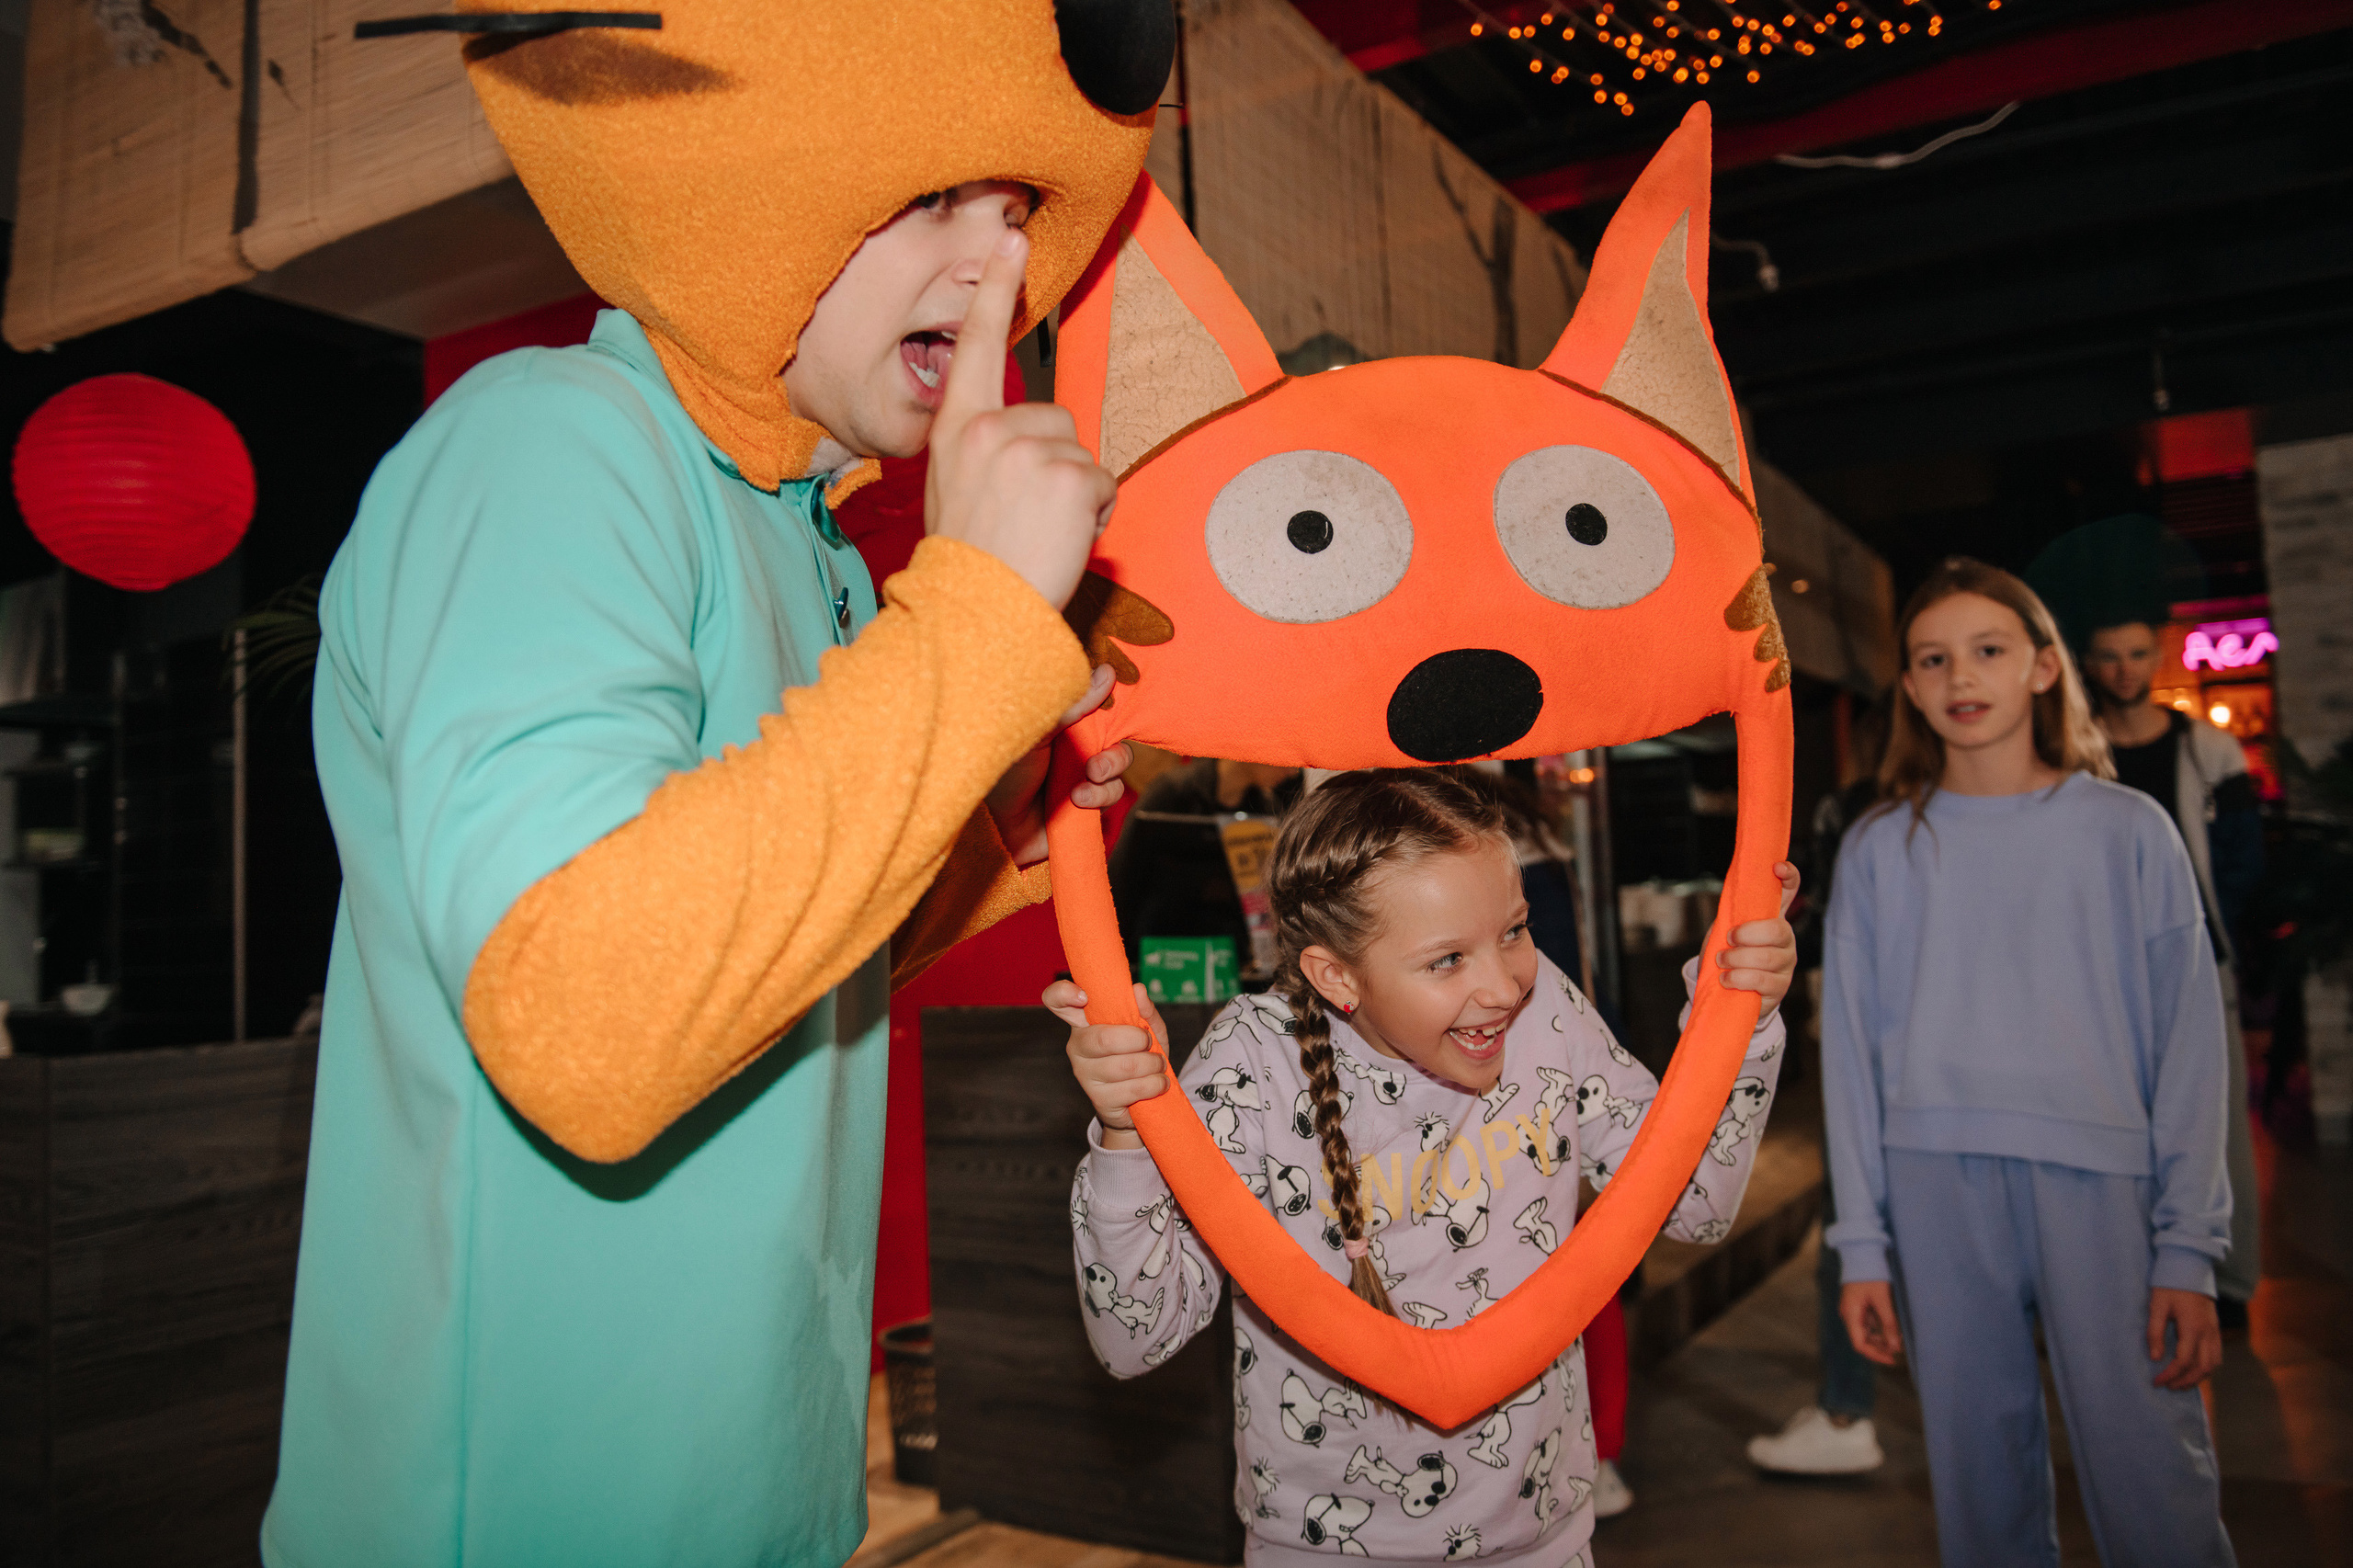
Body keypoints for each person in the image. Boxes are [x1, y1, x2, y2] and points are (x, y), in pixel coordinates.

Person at [265, 11, 1163, 1563]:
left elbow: (788, 970)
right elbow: (587, 1016)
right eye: (937, 200)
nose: (994, 263)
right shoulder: (549, 441)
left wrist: (999, 796)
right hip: (521, 1508)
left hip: (759, 1480)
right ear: (763, 184)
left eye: (1015, 213)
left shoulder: (799, 533)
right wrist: (960, 634)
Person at [1053, 769, 1799, 1566]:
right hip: (1327, 1550)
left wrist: (1740, 1018)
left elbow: (1695, 1203)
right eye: (1446, 960)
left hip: (1542, 1537)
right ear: (1337, 976)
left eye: (1513, 929)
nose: (1501, 987)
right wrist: (1127, 1133)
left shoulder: (1546, 1004)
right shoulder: (1253, 1066)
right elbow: (1138, 1334)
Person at [1823, 559, 2236, 1567]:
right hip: (1933, 1184)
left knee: (2156, 1475)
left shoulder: (2127, 830)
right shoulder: (1879, 848)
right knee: (1978, 1487)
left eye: (1989, 649)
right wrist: (1862, 1244)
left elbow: (2187, 1048)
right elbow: (1850, 1057)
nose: (1962, 675)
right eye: (1934, 657)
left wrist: (2188, 1244)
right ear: (1911, 687)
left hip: (2105, 1183)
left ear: (2045, 667)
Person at [2082, 616, 2265, 1320]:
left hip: (2197, 956)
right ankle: (2129, 1280)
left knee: (2215, 1123)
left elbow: (2246, 860)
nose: (2124, 669)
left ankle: (2231, 1282)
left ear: (2156, 657)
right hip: (2102, 968)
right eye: (2109, 656)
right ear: (2090, 663)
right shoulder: (2076, 749)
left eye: (2135, 655)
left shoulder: (2207, 748)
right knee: (2120, 1121)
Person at [1749, 700, 1889, 1476]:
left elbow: (1824, 919)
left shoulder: (1854, 812)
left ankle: (1846, 1408)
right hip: (1941, 1054)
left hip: (1872, 1040)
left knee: (1853, 1216)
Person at [1109, 757, 1303, 966]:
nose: (1293, 772)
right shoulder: (1172, 792)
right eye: (1288, 756)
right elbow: (1122, 879)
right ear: (1254, 746)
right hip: (1162, 961)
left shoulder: (1265, 808)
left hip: (1230, 964)